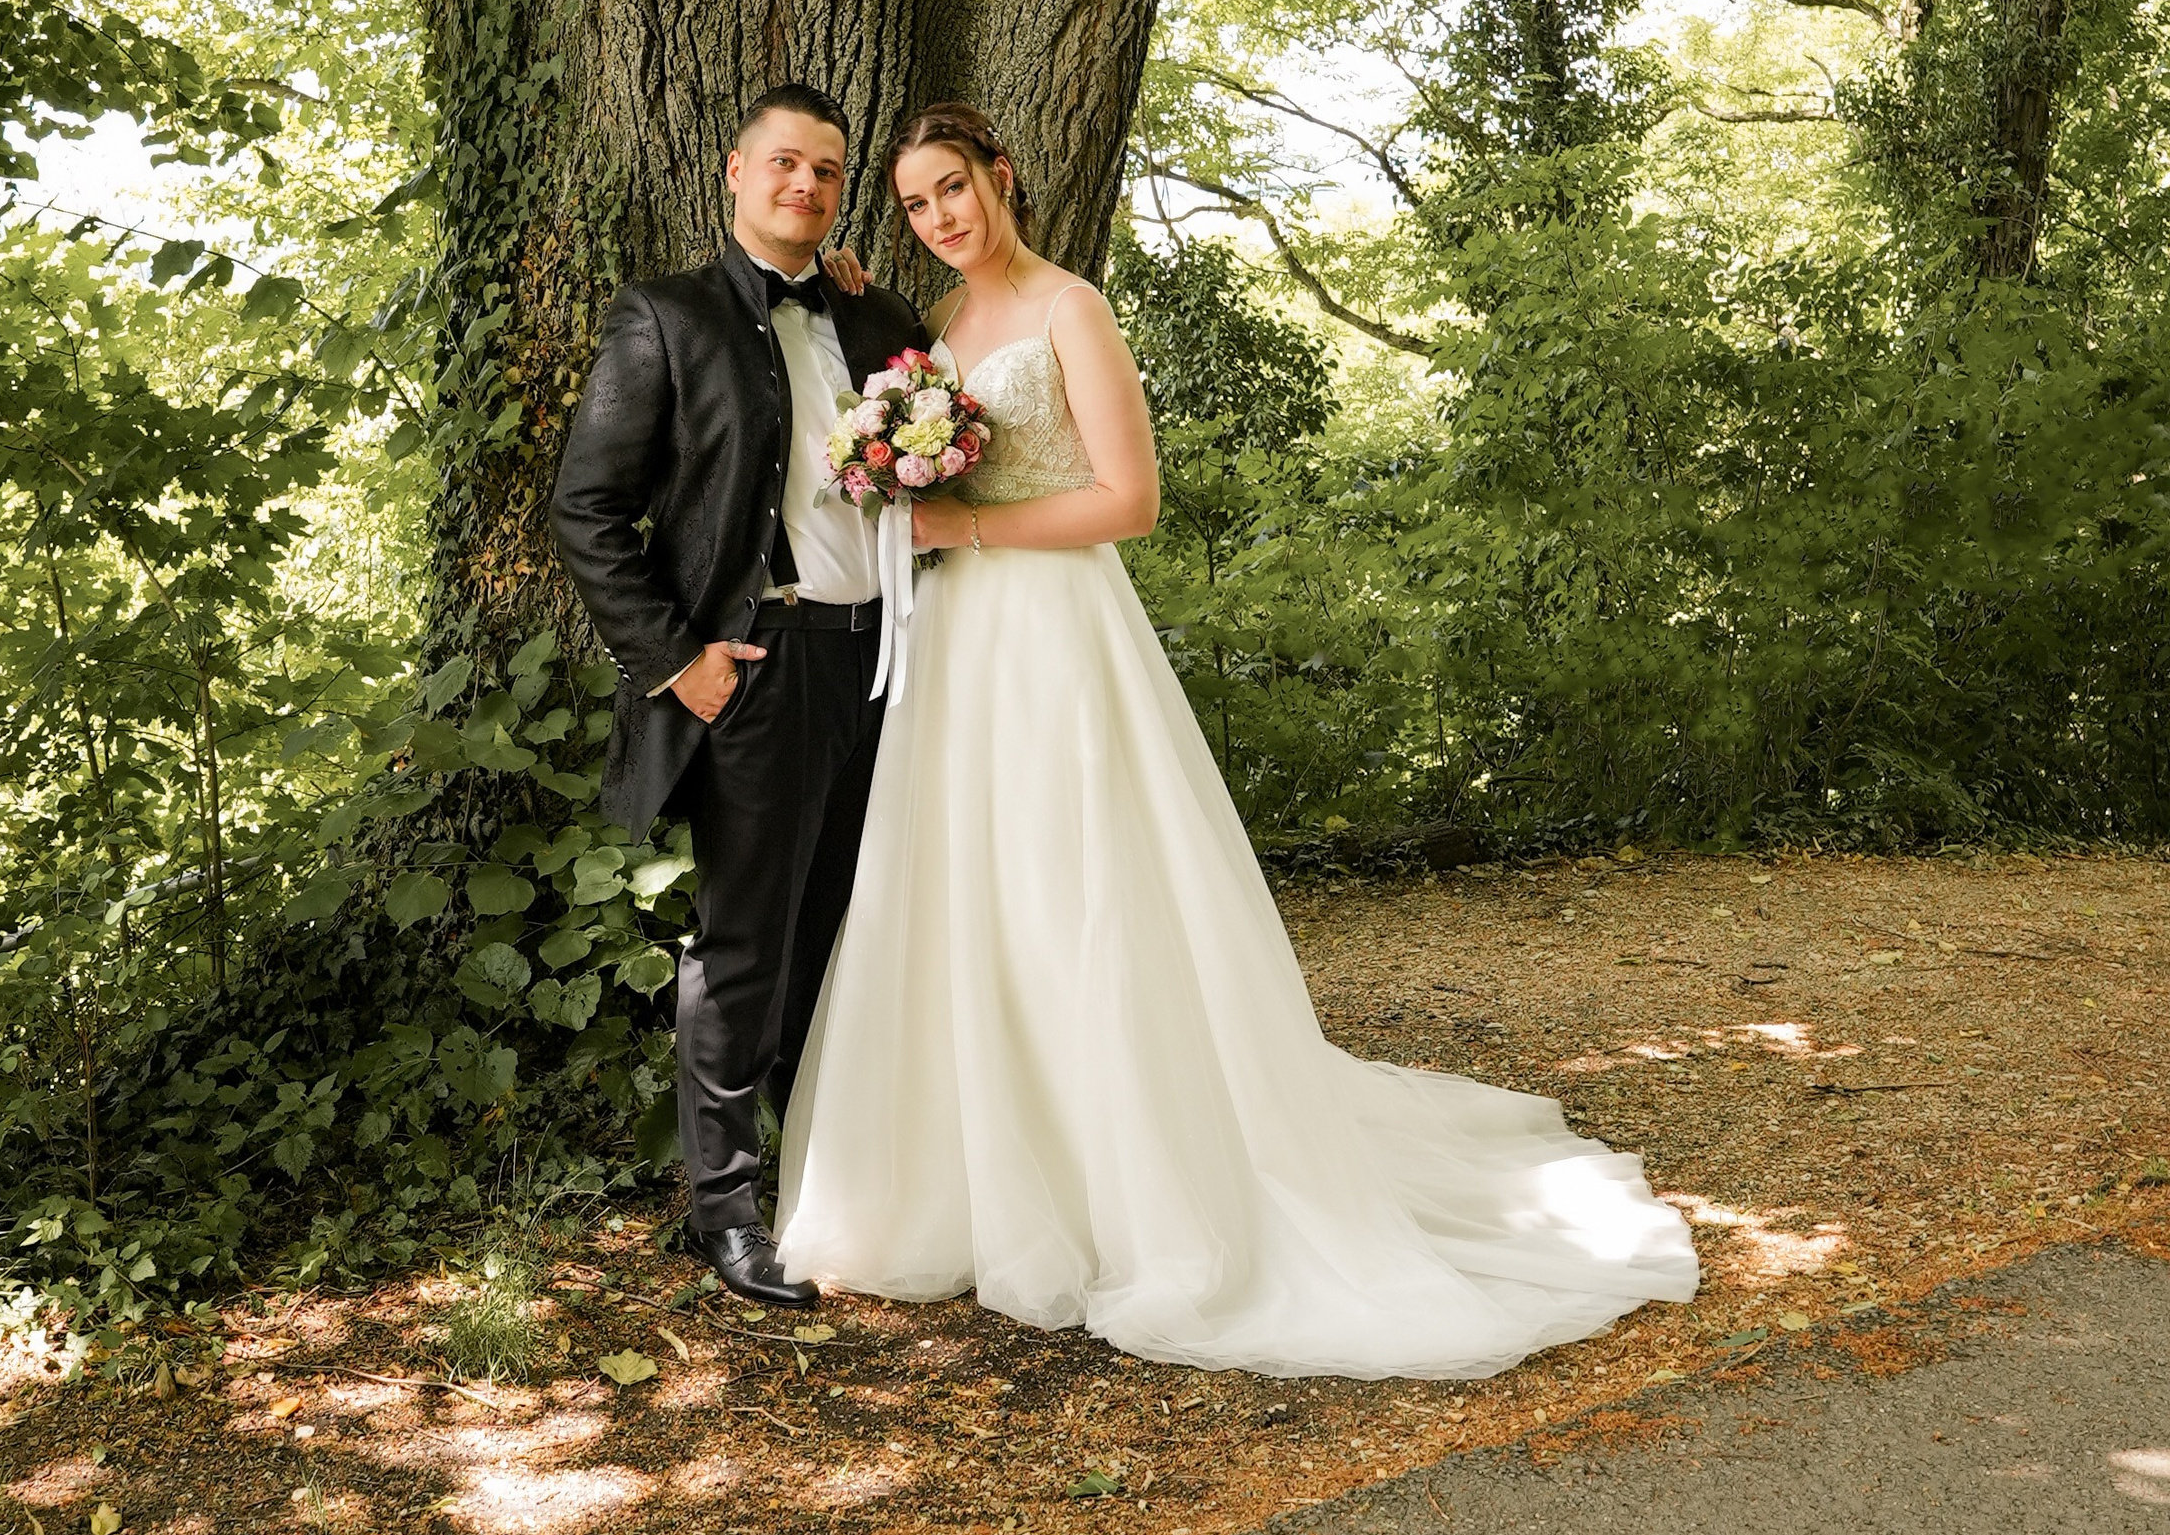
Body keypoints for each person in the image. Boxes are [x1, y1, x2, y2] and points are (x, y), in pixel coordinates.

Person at [775, 102, 1700, 1377]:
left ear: (1002, 175)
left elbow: (1129, 499)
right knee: (973, 889)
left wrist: (964, 529)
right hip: (960, 641)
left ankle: (1131, 1180)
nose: (939, 215)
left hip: (1054, 627)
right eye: (916, 201)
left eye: (954, 186)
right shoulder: (935, 323)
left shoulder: (1070, 308)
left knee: (1075, 885)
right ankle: (985, 1174)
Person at [550, 85, 930, 1308]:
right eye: (783, 162)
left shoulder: (879, 320)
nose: (804, 184)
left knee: (849, 933)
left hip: (891, 665)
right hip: (760, 669)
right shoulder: (664, 317)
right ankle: (724, 1209)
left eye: (826, 169)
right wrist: (680, 659)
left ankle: (830, 1185)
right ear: (733, 169)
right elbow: (586, 510)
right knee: (745, 944)